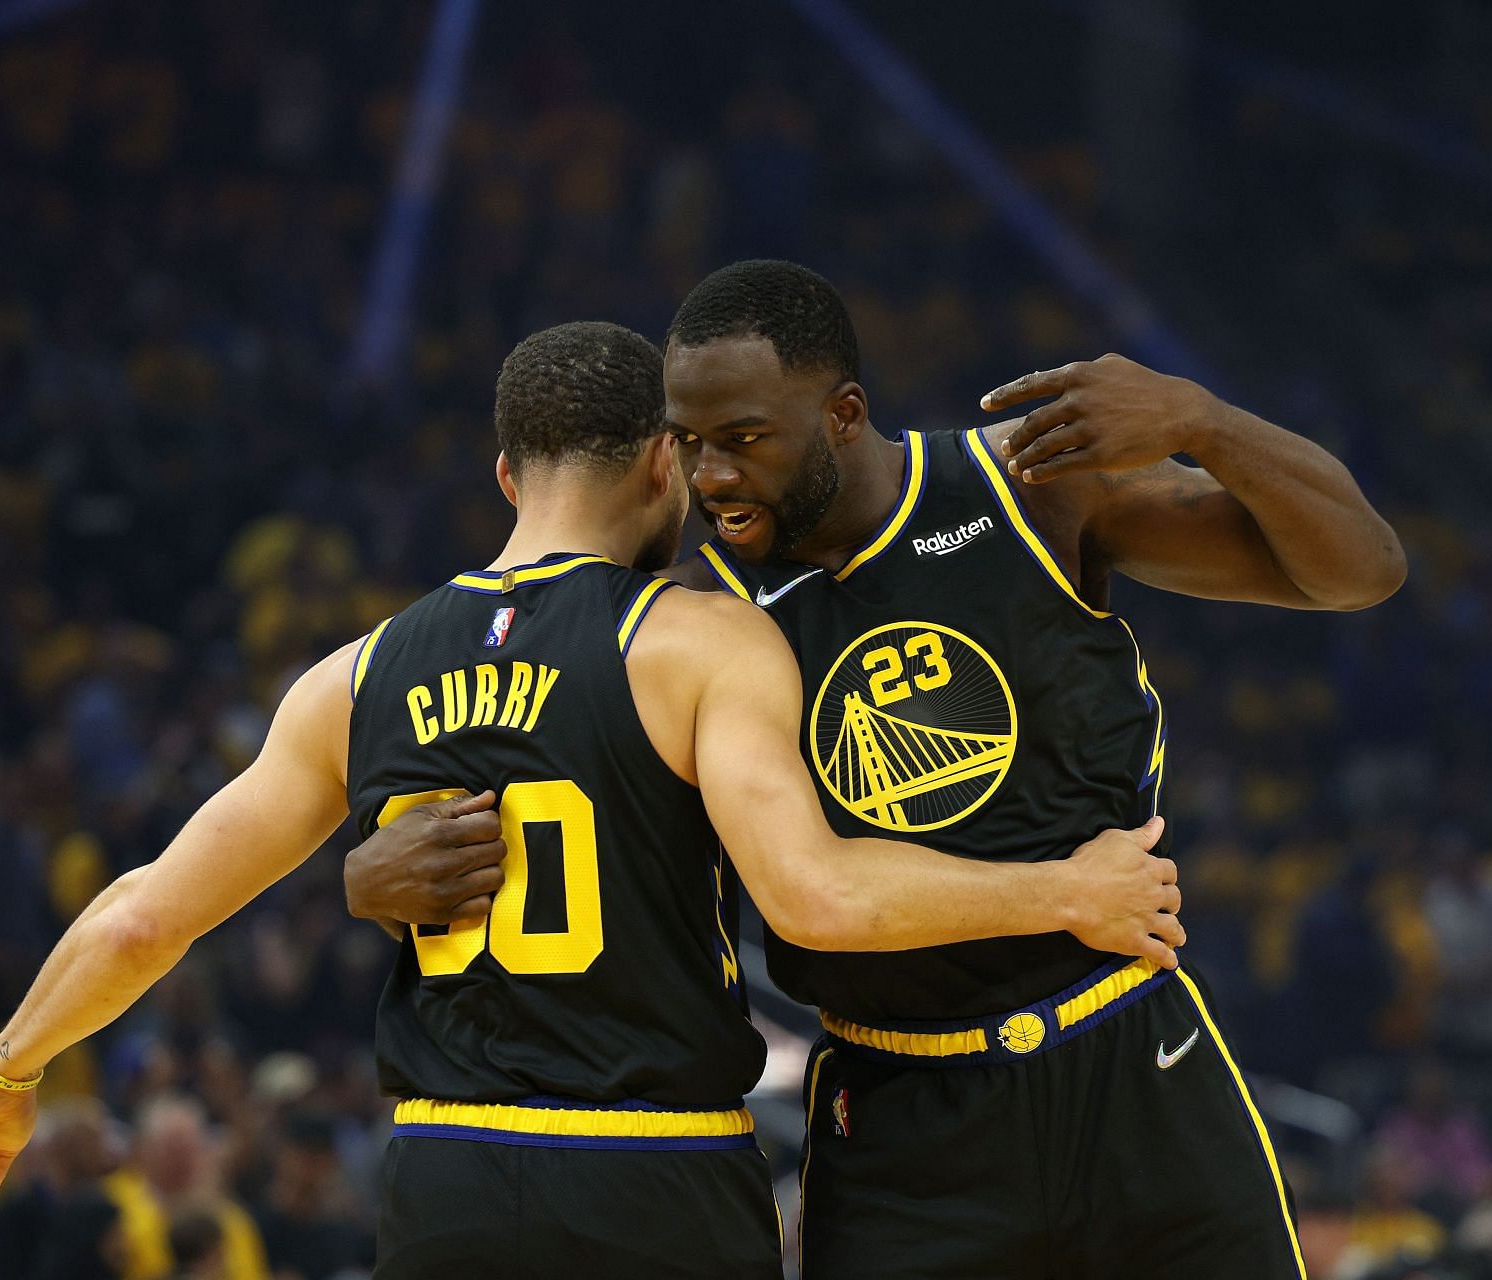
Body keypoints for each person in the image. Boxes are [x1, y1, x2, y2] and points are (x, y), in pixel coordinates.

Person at [0, 321, 1182, 1279]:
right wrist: (1070, 887)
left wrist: (4, 1071)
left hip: (448, 1168)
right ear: (663, 466)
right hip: (656, 1166)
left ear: (507, 476)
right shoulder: (695, 644)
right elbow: (820, 895)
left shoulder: (352, 677)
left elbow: (142, 918)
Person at [348, 261, 1405, 1279]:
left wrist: (1203, 421)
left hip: (1127, 1050)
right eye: (691, 443)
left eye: (745, 440)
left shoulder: (1033, 486)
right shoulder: (682, 611)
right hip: (896, 1106)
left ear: (844, 414)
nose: (712, 476)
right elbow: (528, 747)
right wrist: (361, 876)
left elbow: (1362, 570)